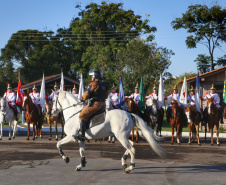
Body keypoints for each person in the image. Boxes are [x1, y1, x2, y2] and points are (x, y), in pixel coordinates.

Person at [78, 69, 108, 141]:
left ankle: (82, 136)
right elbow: (106, 96)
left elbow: (86, 95)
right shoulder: (104, 85)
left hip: (95, 104)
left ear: (94, 77)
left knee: (81, 116)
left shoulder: (93, 84)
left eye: (91, 76)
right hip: (102, 105)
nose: (91, 78)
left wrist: (82, 99)